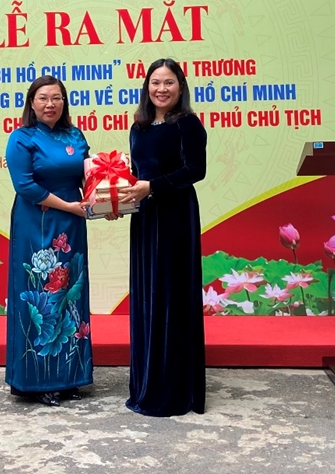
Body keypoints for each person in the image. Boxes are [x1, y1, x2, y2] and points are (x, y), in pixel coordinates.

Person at [119, 58, 207, 416]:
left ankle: (173, 390)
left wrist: (151, 186)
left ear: (181, 87)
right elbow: (136, 173)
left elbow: (195, 170)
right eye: (155, 82)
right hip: (144, 219)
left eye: (169, 82)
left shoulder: (187, 124)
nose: (161, 89)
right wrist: (115, 195)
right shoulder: (138, 126)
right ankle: (147, 382)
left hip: (175, 217)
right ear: (146, 87)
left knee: (171, 296)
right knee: (147, 298)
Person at [5, 76, 93, 407]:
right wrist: (69, 205)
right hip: (37, 223)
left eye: (57, 98)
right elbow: (25, 186)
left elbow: (90, 176)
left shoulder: (75, 135)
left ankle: (70, 376)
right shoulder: (22, 138)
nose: (50, 104)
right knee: (41, 292)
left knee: (71, 292)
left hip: (72, 224)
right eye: (43, 98)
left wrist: (109, 200)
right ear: (32, 103)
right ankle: (37, 380)